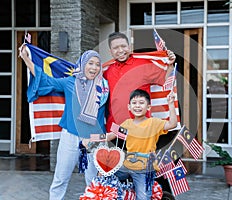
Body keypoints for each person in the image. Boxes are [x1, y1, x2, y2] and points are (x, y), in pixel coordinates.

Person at [19, 45, 109, 200]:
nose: (94, 67)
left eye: (97, 64)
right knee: (61, 177)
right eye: (90, 63)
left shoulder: (105, 86)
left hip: (95, 138)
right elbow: (46, 80)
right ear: (82, 64)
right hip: (71, 136)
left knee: (95, 181)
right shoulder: (70, 82)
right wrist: (27, 59)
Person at [106, 89, 177, 200]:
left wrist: (171, 104)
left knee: (143, 197)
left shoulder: (154, 122)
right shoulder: (127, 123)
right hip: (127, 164)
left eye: (141, 103)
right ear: (129, 107)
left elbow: (172, 124)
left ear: (148, 107)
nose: (137, 106)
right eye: (134, 103)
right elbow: (110, 136)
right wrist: (91, 138)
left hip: (144, 168)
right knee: (105, 175)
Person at [103, 32, 176, 132]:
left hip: (140, 129)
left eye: (123, 46)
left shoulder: (143, 64)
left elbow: (164, 79)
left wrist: (170, 65)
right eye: (116, 48)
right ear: (110, 51)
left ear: (129, 47)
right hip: (114, 128)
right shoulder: (107, 71)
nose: (120, 50)